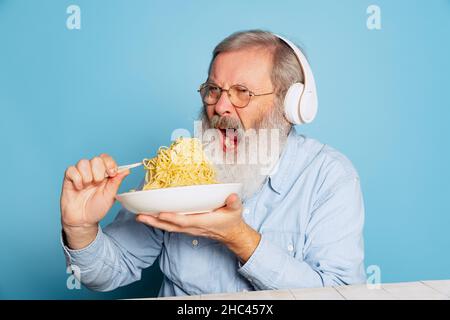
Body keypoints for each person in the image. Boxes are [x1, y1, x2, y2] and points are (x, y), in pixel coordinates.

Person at [60, 30, 366, 297]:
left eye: (242, 93)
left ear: (289, 106)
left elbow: (341, 294)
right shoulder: (176, 171)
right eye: (213, 90)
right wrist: (81, 229)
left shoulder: (329, 177)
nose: (219, 106)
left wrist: (239, 238)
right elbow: (108, 272)